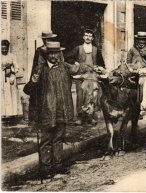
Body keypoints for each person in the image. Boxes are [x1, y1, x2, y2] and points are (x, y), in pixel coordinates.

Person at [23, 41, 90, 179]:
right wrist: (34, 82)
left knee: (59, 138)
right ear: (47, 54)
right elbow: (28, 90)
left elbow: (79, 69)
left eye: (57, 53)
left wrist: (93, 67)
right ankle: (46, 169)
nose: (55, 56)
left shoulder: (64, 67)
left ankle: (58, 166)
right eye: (51, 53)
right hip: (46, 111)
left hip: (62, 109)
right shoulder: (40, 70)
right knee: (46, 140)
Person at [66, 29, 105, 125]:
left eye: (90, 36)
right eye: (86, 35)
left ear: (92, 38)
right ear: (83, 37)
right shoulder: (78, 48)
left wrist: (99, 68)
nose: (88, 37)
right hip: (81, 76)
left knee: (92, 96)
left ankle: (91, 117)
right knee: (81, 95)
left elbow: (101, 63)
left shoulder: (96, 49)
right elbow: (68, 58)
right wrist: (76, 63)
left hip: (92, 76)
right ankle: (80, 117)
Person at [28, 31, 62, 123]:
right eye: (45, 39)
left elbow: (61, 62)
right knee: (39, 97)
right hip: (41, 75)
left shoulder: (56, 49)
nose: (46, 41)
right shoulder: (39, 50)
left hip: (53, 75)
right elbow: (35, 65)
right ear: (42, 39)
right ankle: (37, 118)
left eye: (49, 39)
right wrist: (34, 77)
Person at [1, 40, 22, 118]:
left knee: (10, 94)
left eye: (5, 49)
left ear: (8, 48)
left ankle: (11, 113)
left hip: (10, 76)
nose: (4, 51)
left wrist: (13, 72)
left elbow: (16, 67)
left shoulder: (12, 56)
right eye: (2, 49)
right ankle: (2, 112)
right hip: (1, 77)